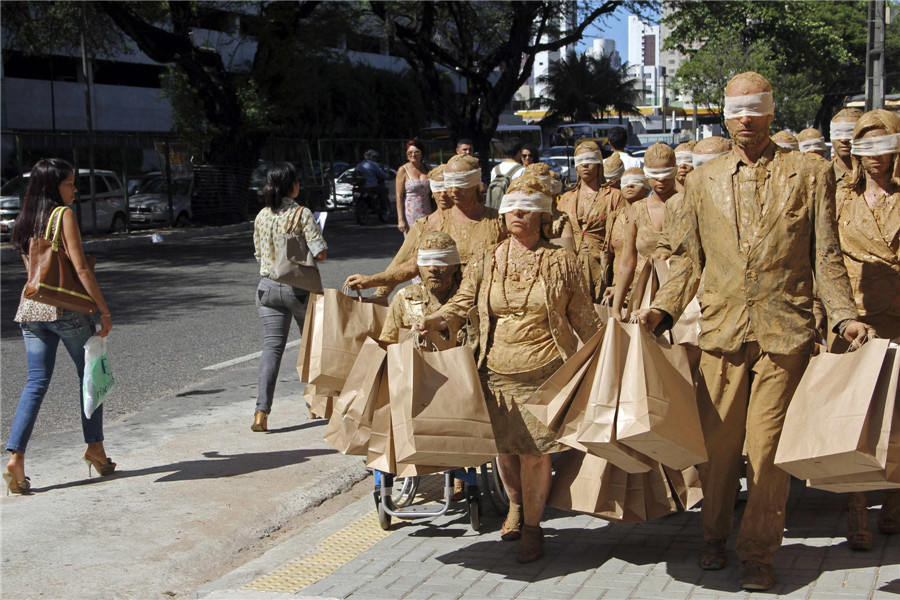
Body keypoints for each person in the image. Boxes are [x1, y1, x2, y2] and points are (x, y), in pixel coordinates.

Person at [632, 71, 871, 591]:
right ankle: (714, 536)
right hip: (721, 334)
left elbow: (826, 255)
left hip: (784, 332)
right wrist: (661, 310)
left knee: (767, 451)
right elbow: (688, 261)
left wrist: (844, 315)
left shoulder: (810, 173)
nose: (747, 120)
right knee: (718, 451)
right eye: (737, 111)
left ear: (771, 113)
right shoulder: (702, 181)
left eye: (756, 109)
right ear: (725, 116)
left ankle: (759, 553)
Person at [417, 174, 600, 563]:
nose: (517, 214)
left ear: (542, 215)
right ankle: (515, 504)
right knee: (505, 450)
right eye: (511, 208)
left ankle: (533, 527)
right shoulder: (488, 258)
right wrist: (438, 318)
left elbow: (585, 319)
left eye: (526, 208)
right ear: (502, 214)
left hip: (545, 373)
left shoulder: (561, 261)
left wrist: (610, 354)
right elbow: (463, 301)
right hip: (494, 373)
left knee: (535, 453)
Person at [5, 158, 115, 493]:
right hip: (64, 310)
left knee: (36, 382)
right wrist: (103, 310)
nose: (75, 189)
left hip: (30, 310)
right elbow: (81, 269)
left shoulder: (24, 219)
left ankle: (16, 458)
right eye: (69, 183)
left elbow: (33, 271)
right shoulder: (63, 215)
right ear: (53, 187)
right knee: (90, 375)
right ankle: (95, 448)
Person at [831, 108, 900, 550]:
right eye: (866, 145)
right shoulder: (841, 198)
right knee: (851, 418)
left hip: (898, 314)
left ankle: (893, 499)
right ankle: (856, 508)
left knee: (896, 415)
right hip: (853, 317)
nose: (876, 155)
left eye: (885, 144)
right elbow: (825, 257)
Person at [345, 154, 505, 300]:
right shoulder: (433, 223)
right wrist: (376, 285)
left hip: (488, 301)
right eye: (449, 185)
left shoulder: (498, 221)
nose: (453, 191)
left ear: (475, 183)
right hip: (445, 306)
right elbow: (409, 264)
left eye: (461, 184)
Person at [252, 162, 327, 432]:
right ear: (293, 186)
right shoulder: (302, 213)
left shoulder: (261, 215)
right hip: (298, 289)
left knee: (272, 348)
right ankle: (314, 404)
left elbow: (259, 254)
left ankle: (261, 412)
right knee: (312, 346)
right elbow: (320, 253)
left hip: (267, 288)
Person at [611, 142, 680, 318]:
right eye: (655, 175)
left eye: (666, 173)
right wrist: (616, 308)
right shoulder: (637, 209)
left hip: (681, 297)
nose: (661, 180)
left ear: (675, 170)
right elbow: (627, 260)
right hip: (644, 295)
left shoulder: (688, 204)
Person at [557, 141, 624, 302]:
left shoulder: (614, 196)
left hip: (603, 268)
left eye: (590, 160)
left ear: (599, 163)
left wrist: (618, 282)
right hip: (572, 272)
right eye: (580, 161)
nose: (585, 164)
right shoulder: (566, 198)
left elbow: (621, 244)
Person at [605, 167, 650, 301]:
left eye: (636, 181)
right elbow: (609, 256)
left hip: (646, 287)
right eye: (625, 182)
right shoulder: (614, 218)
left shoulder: (652, 215)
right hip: (618, 289)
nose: (630, 185)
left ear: (646, 186)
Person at [395, 139, 433, 235]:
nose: (413, 155)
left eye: (416, 152)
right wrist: (401, 219)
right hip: (411, 214)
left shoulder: (427, 168)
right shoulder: (403, 170)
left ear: (421, 153)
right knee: (413, 241)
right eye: (410, 152)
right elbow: (399, 197)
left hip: (428, 212)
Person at [830, 107, 863, 184]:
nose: (844, 139)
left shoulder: (875, 177)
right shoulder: (821, 175)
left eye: (851, 133)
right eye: (838, 133)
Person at [355, 149, 390, 214]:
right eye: (374, 157)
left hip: (361, 186)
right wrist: (388, 176)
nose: (375, 159)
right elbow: (381, 174)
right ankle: (383, 208)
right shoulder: (373, 164)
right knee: (384, 190)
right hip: (371, 186)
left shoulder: (359, 165)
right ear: (370, 157)